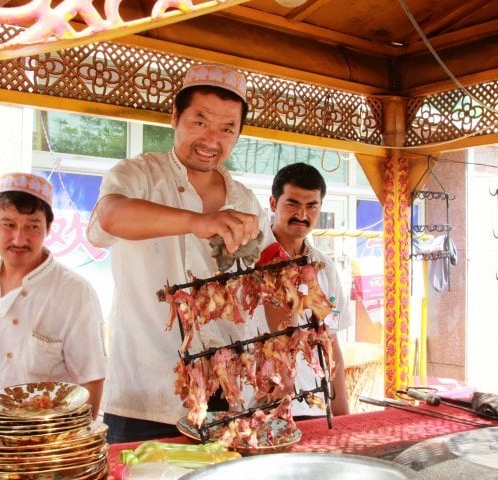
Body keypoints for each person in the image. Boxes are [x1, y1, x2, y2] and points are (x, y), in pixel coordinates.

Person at [86, 63, 271, 443]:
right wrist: (196, 221)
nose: (211, 140)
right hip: (146, 394)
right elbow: (110, 216)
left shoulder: (247, 201)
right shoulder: (138, 174)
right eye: (199, 122)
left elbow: (260, 282)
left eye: (226, 129)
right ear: (175, 116)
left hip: (226, 395)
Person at [0, 172, 107, 461]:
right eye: (8, 225)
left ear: (48, 228)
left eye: (32, 226)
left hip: (45, 451)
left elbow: (92, 378)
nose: (19, 238)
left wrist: (76, 447)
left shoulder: (75, 292)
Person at [257, 162, 351, 418]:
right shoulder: (248, 260)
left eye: (311, 206)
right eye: (292, 204)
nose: (302, 214)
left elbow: (331, 342)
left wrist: (342, 410)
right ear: (274, 204)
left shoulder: (325, 267)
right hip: (255, 407)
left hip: (313, 407)